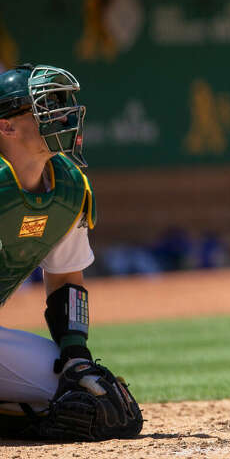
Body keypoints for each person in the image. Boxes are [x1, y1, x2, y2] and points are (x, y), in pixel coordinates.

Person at [0, 64, 142, 442]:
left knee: (79, 394)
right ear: (6, 126)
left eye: (62, 104)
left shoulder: (67, 188)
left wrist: (76, 355)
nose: (62, 115)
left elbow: (65, 280)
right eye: (44, 107)